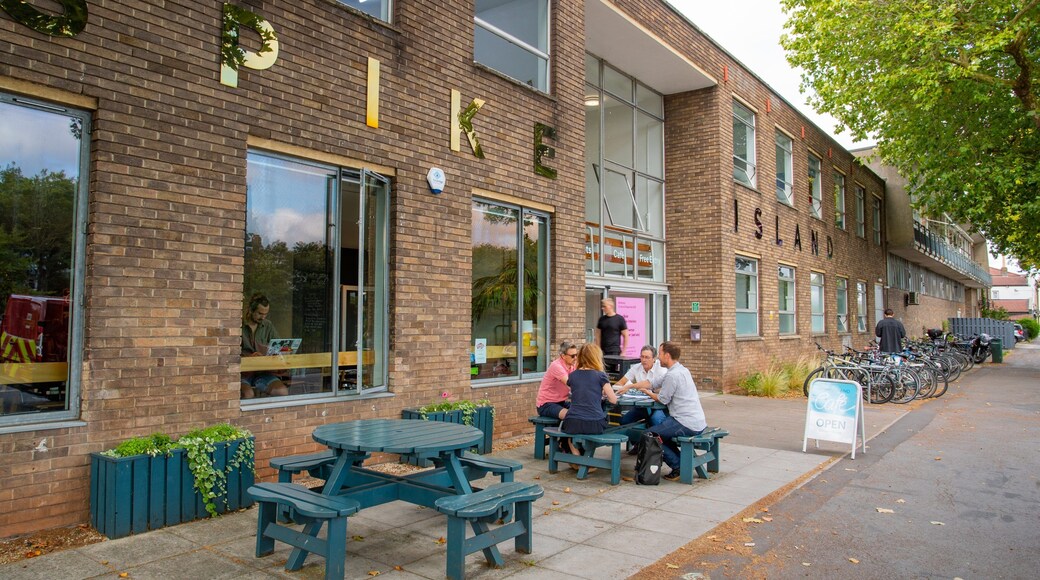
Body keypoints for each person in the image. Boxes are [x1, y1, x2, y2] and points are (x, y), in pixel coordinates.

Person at [630, 341, 707, 481]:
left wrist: (647, 393)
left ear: (667, 355)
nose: (658, 357)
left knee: (650, 435)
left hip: (685, 421)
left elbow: (662, 399)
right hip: (697, 420)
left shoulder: (673, 375)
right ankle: (680, 463)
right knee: (660, 433)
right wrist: (631, 387)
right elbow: (652, 382)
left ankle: (678, 467)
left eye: (659, 354)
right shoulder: (681, 370)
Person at [560, 343, 618, 458]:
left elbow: (582, 390)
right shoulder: (600, 375)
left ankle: (577, 458)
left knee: (569, 436)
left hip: (572, 422)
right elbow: (613, 400)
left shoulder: (573, 375)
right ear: (596, 357)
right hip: (594, 423)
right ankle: (583, 461)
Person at [241, 293, 289, 399]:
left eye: (265, 314)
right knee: (248, 394)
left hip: (263, 372)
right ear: (250, 310)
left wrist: (277, 354)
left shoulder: (268, 325)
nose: (263, 317)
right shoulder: (238, 324)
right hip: (243, 373)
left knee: (282, 391)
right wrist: (249, 358)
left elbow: (278, 347)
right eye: (260, 313)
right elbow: (229, 353)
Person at [614, 345, 667, 428]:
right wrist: (618, 388)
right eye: (642, 357)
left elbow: (659, 389)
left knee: (655, 420)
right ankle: (634, 441)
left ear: (654, 359)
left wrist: (630, 387)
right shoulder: (636, 367)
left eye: (647, 357)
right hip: (642, 406)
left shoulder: (661, 369)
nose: (644, 360)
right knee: (624, 421)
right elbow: (620, 383)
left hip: (659, 406)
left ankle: (655, 440)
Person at [535, 341, 577, 420]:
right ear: (563, 356)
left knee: (584, 411)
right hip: (546, 404)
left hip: (561, 402)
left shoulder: (573, 365)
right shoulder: (556, 366)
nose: (575, 358)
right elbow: (570, 383)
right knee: (571, 416)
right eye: (572, 356)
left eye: (576, 355)